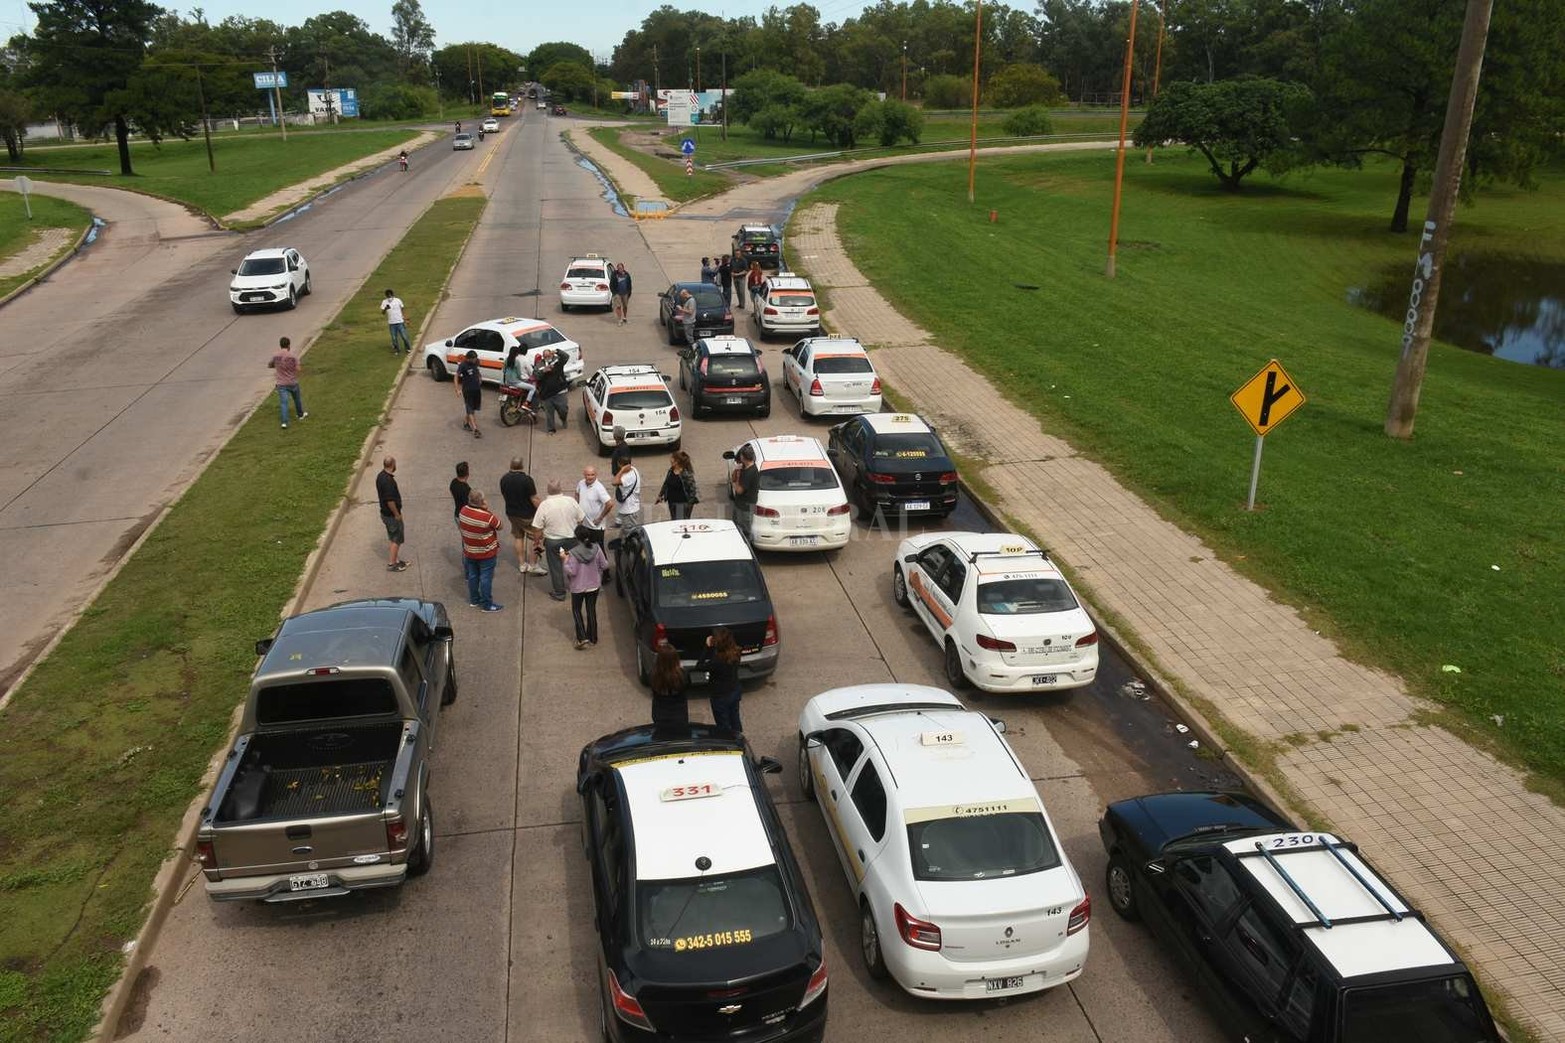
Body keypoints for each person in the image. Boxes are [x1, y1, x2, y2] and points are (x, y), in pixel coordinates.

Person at [533, 480, 585, 602]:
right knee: (573, 563)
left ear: (548, 490)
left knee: (555, 567)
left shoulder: (544, 505)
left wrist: (537, 541)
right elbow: (581, 518)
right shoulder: (570, 501)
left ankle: (560, 593)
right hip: (571, 539)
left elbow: (537, 527)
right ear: (561, 489)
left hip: (553, 541)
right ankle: (576, 586)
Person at [562, 524, 608, 649]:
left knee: (577, 610)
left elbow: (572, 571)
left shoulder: (573, 553)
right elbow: (604, 565)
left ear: (577, 538)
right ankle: (593, 637)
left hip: (578, 587)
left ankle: (582, 638)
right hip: (594, 585)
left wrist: (564, 560)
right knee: (591, 610)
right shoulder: (597, 549)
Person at [458, 489, 504, 612]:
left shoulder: (463, 511)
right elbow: (500, 526)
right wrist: (486, 509)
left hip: (469, 550)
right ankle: (487, 604)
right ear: (482, 502)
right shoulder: (487, 517)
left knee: (473, 576)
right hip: (486, 553)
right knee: (486, 578)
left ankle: (474, 600)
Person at [499, 457, 544, 575]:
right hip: (527, 515)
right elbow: (534, 499)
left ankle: (522, 564)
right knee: (536, 538)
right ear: (522, 466)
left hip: (512, 514)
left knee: (518, 537)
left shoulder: (504, 479)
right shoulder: (527, 480)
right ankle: (533, 565)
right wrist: (543, 509)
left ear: (511, 465)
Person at [698, 627, 744, 734]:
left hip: (720, 696)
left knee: (723, 724)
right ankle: (738, 736)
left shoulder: (717, 661)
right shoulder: (736, 652)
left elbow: (699, 666)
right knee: (734, 717)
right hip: (734, 689)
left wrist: (707, 647)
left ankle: (727, 739)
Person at [376, 456, 408, 572]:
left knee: (393, 537)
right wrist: (397, 514)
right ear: (393, 464)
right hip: (391, 515)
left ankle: (396, 560)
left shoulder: (380, 476)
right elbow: (390, 501)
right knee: (396, 539)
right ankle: (392, 564)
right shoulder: (388, 482)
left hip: (385, 514)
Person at [268, 336, 307, 429]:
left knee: (284, 403)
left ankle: (284, 422)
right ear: (289, 345)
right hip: (292, 382)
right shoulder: (292, 356)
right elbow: (298, 369)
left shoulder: (276, 356)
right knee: (297, 399)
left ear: (280, 345)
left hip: (281, 384)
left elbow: (270, 365)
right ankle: (300, 415)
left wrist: (278, 366)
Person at [649, 643, 689, 729]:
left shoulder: (653, 675)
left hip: (659, 713)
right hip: (678, 713)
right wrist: (681, 669)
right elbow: (687, 687)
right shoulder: (682, 675)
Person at [576, 465, 613, 550]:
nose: (590, 477)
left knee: (598, 549)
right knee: (587, 547)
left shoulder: (599, 488)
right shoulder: (581, 483)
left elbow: (610, 504)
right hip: (585, 524)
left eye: (592, 475)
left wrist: (600, 518)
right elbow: (577, 493)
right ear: (584, 475)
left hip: (596, 527)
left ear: (596, 475)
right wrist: (577, 508)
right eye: (588, 475)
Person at [533, 349, 570, 434]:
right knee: (549, 413)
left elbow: (566, 357)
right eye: (545, 356)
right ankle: (551, 429)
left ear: (552, 355)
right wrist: (543, 371)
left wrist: (557, 351)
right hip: (546, 394)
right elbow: (536, 375)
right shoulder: (539, 364)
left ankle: (563, 419)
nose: (547, 357)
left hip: (560, 391)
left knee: (563, 410)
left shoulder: (557, 361)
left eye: (548, 356)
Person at [655, 450, 699, 521]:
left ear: (677, 461)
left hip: (681, 503)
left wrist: (690, 503)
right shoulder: (671, 471)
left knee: (680, 522)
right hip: (672, 502)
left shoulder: (685, 474)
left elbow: (692, 488)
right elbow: (666, 483)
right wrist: (660, 495)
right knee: (674, 521)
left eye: (672, 458)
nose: (670, 460)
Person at [730, 444, 759, 539]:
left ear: (744, 457)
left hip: (746, 507)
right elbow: (733, 477)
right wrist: (736, 470)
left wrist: (734, 482)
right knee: (736, 527)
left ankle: (746, 545)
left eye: (741, 456)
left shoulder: (750, 472)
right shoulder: (743, 467)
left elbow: (739, 490)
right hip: (739, 504)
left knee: (745, 531)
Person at [456, 349, 484, 438]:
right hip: (467, 390)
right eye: (474, 359)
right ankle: (475, 429)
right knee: (470, 409)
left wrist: (480, 377)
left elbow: (477, 370)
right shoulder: (463, 365)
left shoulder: (476, 362)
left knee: (473, 408)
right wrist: (457, 389)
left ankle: (466, 423)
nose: (475, 360)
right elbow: (456, 377)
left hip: (477, 390)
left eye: (476, 358)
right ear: (469, 358)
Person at [613, 457, 643, 530]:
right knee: (625, 531)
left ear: (619, 464)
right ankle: (618, 523)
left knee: (630, 531)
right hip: (627, 507)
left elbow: (614, 482)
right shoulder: (633, 469)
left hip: (630, 510)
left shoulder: (628, 477)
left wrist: (621, 470)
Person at [381, 289, 412, 354]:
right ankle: (397, 350)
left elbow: (402, 308)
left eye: (390, 295)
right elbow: (383, 313)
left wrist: (404, 318)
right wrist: (385, 309)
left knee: (404, 337)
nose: (389, 297)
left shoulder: (398, 300)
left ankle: (408, 348)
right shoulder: (384, 302)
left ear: (392, 295)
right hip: (392, 323)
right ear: (386, 296)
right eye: (388, 296)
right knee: (394, 338)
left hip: (400, 322)